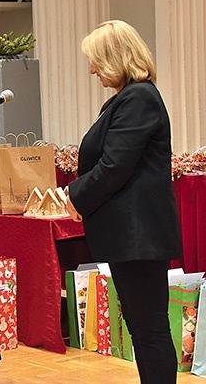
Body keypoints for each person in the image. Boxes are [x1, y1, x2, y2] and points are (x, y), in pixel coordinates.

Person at [66, 20, 182, 384]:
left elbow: (114, 167)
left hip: (139, 237)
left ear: (116, 58)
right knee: (142, 331)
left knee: (149, 331)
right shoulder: (127, 98)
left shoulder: (138, 98)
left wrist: (75, 196)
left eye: (97, 60)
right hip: (131, 237)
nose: (92, 69)